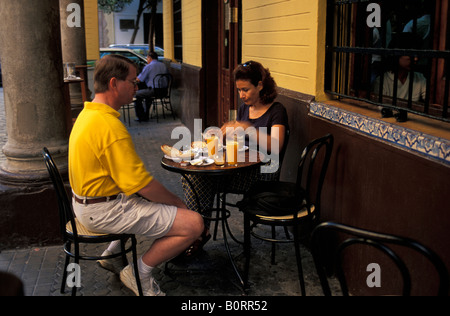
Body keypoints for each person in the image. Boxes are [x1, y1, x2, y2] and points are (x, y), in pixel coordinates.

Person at [69, 54, 203, 296]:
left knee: (143, 200)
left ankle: (112, 254)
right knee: (193, 223)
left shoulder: (87, 114)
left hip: (87, 203)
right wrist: (179, 204)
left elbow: (131, 183)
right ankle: (139, 273)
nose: (137, 86)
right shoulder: (109, 127)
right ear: (113, 83)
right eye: (132, 81)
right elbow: (141, 184)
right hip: (102, 211)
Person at [181, 60, 289, 258]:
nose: (241, 95)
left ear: (260, 85)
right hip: (240, 168)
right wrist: (220, 138)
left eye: (246, 90)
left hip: (263, 174)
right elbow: (238, 144)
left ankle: (196, 234)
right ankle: (198, 231)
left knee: (200, 179)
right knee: (194, 176)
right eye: (239, 90)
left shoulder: (277, 111)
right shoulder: (243, 110)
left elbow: (276, 145)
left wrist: (247, 128)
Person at [134, 51, 168, 122]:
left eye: (147, 58)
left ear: (149, 58)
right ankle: (146, 114)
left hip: (154, 91)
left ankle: (141, 116)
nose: (147, 60)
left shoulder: (149, 66)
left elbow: (139, 79)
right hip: (164, 91)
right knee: (147, 94)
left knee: (137, 94)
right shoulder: (163, 65)